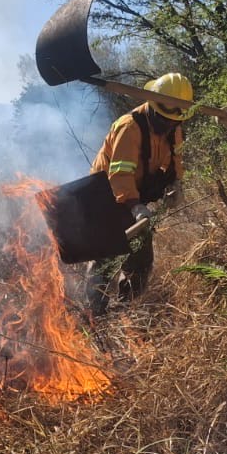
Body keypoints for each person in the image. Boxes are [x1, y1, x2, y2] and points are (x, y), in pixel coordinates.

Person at [86, 72, 191, 316]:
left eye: (173, 121)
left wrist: (176, 184)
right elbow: (120, 175)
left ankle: (126, 309)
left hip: (135, 196)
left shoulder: (174, 125)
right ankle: (94, 314)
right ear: (152, 106)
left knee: (142, 258)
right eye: (164, 119)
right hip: (105, 195)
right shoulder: (129, 127)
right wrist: (135, 207)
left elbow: (176, 159)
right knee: (105, 256)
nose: (168, 126)